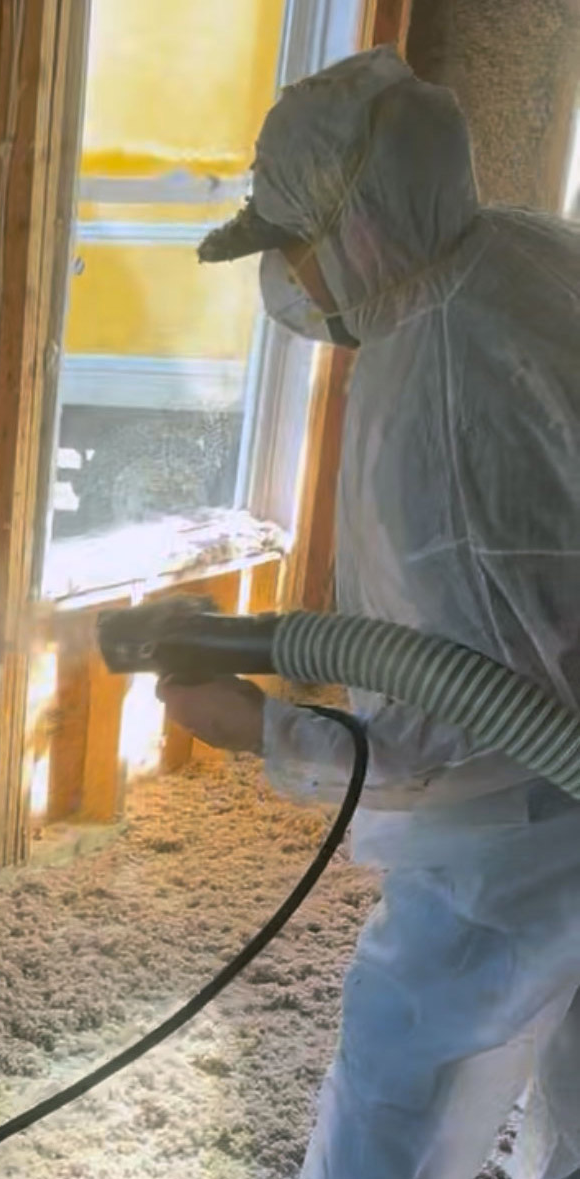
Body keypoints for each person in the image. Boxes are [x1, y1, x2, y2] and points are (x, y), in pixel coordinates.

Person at [161, 45, 580, 1179]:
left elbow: (464, 724)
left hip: (533, 839)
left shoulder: (435, 411)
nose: (286, 280)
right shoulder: (530, 258)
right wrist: (279, 649)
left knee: (407, 1084)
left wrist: (256, 728)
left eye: (291, 247)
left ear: (357, 230)